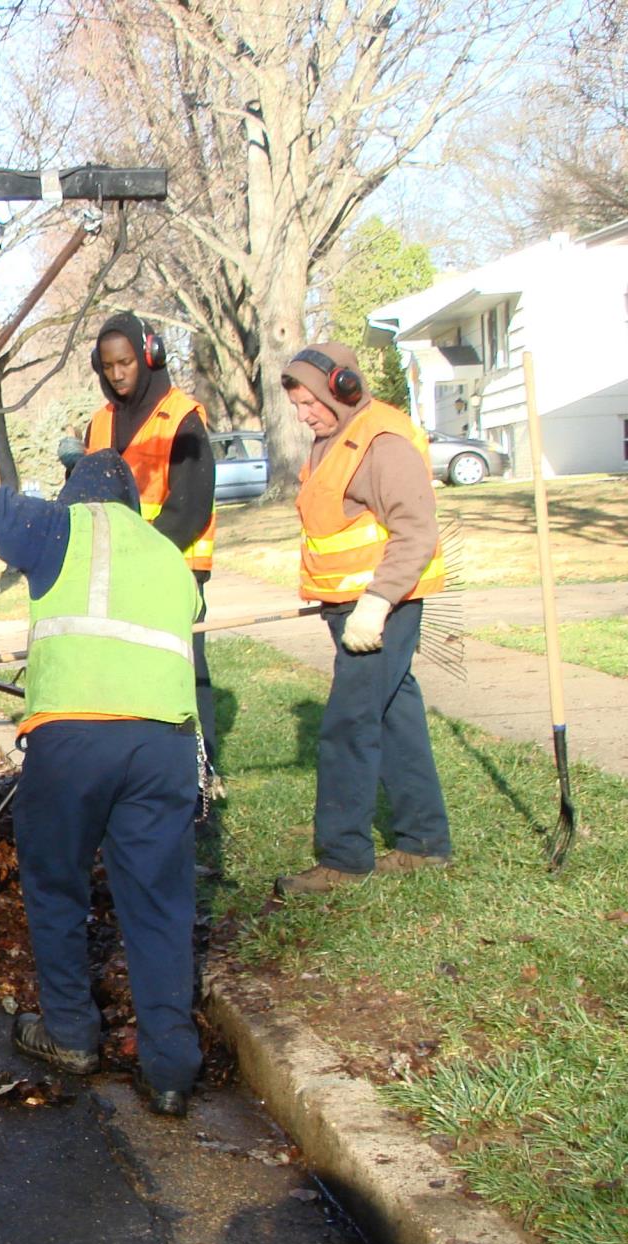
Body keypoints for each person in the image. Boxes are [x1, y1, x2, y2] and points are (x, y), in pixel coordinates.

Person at [0, 335, 203, 1116]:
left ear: (75, 498)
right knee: (159, 905)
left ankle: (71, 1030)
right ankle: (170, 1069)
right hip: (165, 746)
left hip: (74, 744)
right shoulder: (170, 557)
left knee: (58, 883)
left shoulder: (56, 530)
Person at [273, 342, 452, 895]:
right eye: (298, 405)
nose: (304, 415)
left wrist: (375, 604)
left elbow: (416, 533)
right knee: (395, 715)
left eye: (309, 402)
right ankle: (424, 842)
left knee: (347, 725)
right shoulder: (332, 441)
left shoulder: (383, 440)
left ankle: (344, 858)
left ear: (342, 387)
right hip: (350, 608)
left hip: (381, 608)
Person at [86, 313, 220, 780]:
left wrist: (140, 556)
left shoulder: (182, 418)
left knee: (182, 673)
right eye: (108, 366)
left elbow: (190, 507)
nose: (118, 374)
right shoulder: (100, 423)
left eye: (125, 362)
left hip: (174, 568)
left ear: (149, 357)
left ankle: (201, 775)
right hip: (116, 573)